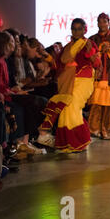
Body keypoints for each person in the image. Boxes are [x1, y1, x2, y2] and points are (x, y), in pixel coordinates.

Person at [36, 18, 100, 153]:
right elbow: (58, 65)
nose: (76, 31)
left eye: (79, 29)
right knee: (67, 110)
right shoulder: (67, 47)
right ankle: (74, 142)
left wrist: (91, 55)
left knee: (71, 108)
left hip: (83, 80)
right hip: (68, 81)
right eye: (74, 28)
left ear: (85, 29)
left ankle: (77, 141)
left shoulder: (89, 43)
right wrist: (47, 57)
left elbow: (97, 63)